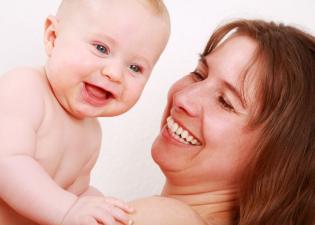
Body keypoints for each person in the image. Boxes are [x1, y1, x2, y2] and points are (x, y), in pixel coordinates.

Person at [121, 19, 315, 225]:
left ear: (278, 157)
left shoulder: (157, 218)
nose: (184, 98)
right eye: (199, 75)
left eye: (225, 102)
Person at [0, 0, 170, 224]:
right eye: (101, 48)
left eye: (135, 67)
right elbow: (6, 162)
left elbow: (76, 193)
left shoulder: (91, 133)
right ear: (53, 38)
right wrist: (68, 209)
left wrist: (101, 207)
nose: (114, 73)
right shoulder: (24, 88)